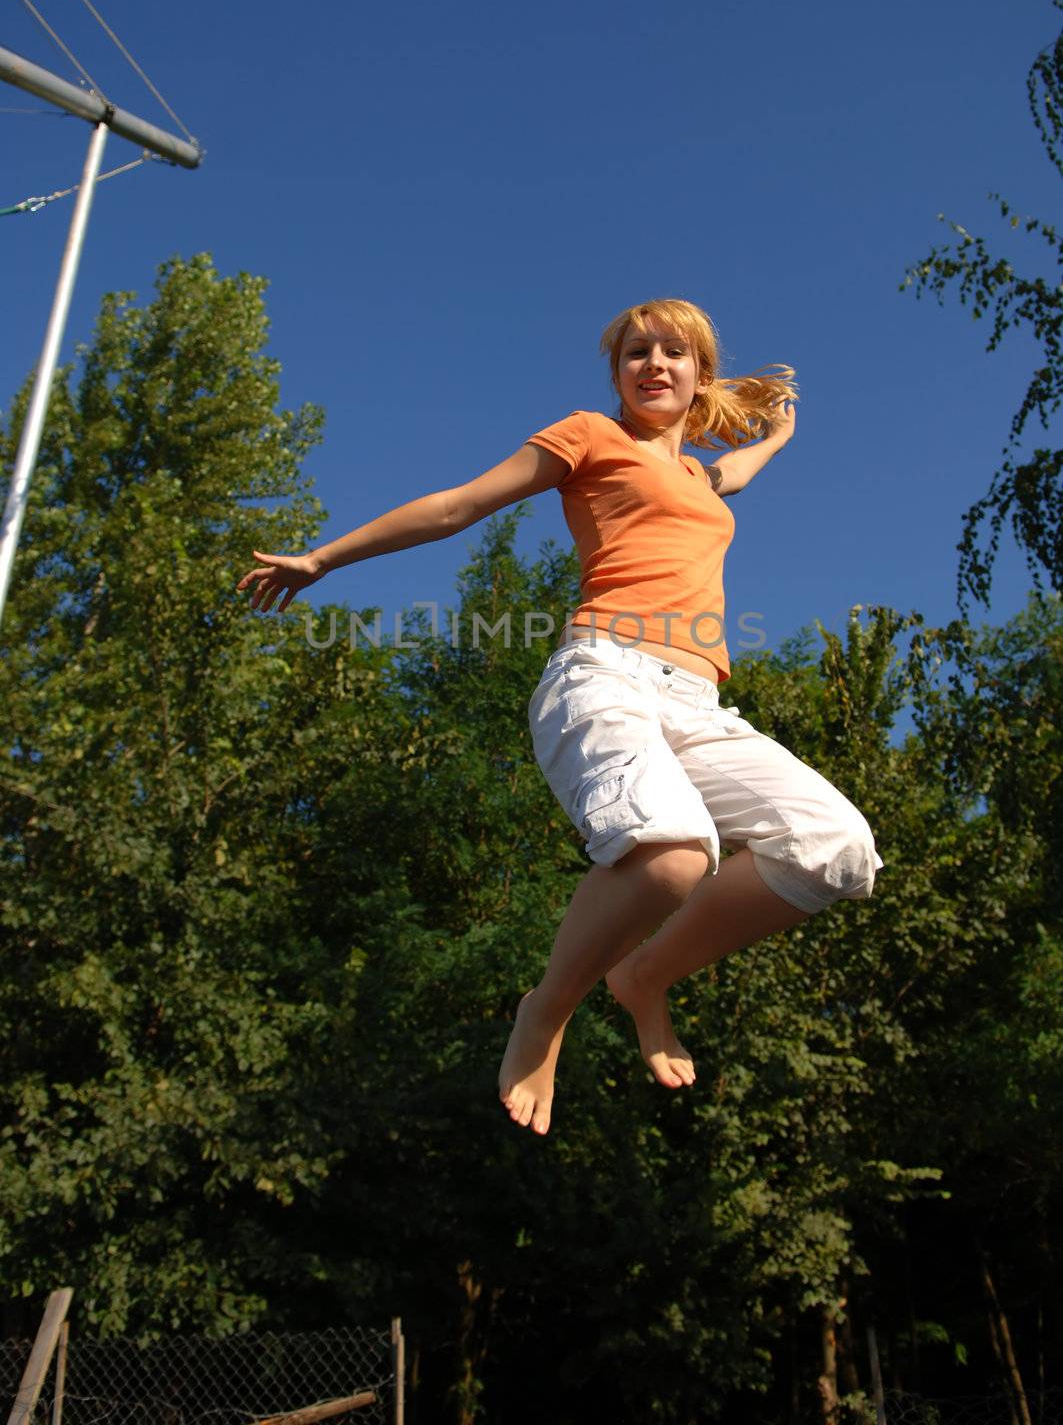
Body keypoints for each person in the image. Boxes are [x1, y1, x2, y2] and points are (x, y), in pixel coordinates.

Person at [237, 298, 882, 1139]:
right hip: (603, 675)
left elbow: (735, 474)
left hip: (696, 703)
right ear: (616, 376)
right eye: (635, 353)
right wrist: (323, 556)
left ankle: (644, 977)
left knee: (837, 849)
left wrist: (775, 441)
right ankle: (544, 1012)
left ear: (699, 377)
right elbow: (458, 506)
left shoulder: (697, 476)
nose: (653, 363)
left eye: (673, 353)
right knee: (671, 856)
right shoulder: (588, 435)